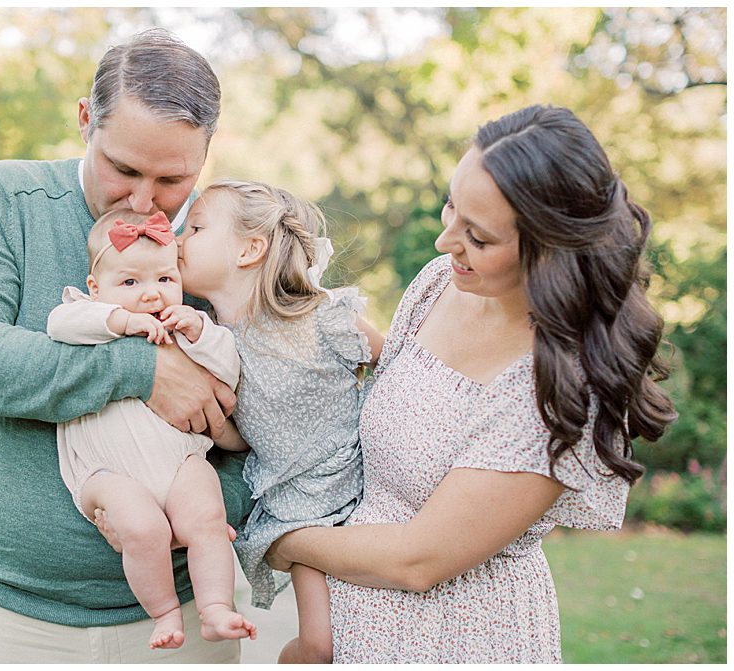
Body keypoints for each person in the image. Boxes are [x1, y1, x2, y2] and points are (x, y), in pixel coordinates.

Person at [264, 104, 677, 663]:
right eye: (451, 207)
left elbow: (419, 559)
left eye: (477, 237)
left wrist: (273, 536)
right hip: (353, 626)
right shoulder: (442, 284)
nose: (445, 242)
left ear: (549, 251)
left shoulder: (561, 388)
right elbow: (387, 397)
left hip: (460, 639)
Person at [0, 29, 253, 663]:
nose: (142, 199)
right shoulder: (5, 198)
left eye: (172, 179)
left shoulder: (222, 244)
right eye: (123, 168)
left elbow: (268, 406)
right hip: (6, 618)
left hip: (182, 619)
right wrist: (140, 367)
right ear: (84, 121)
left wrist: (209, 510)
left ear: (206, 156)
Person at [131, 178, 383, 662]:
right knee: (320, 643)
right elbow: (238, 439)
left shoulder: (320, 317)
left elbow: (403, 369)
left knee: (376, 630)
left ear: (249, 250)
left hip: (370, 486)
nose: (179, 240)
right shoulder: (213, 344)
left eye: (197, 228)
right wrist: (206, 418)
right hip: (302, 507)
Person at [45, 208, 255, 649]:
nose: (150, 295)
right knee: (143, 531)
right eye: (130, 283)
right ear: (95, 288)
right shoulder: (88, 317)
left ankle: (216, 607)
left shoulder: (187, 327)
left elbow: (228, 375)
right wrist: (120, 323)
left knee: (208, 519)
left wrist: (200, 331)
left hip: (179, 461)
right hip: (108, 473)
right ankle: (163, 613)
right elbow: (58, 325)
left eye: (164, 279)